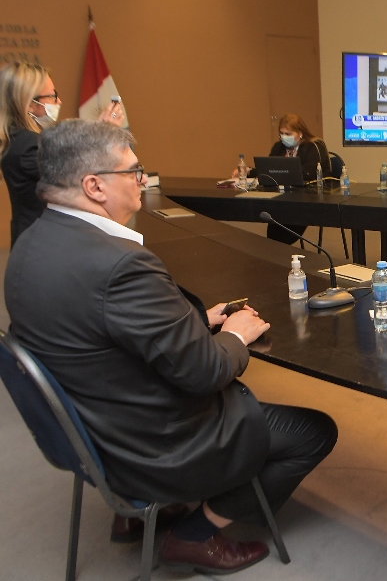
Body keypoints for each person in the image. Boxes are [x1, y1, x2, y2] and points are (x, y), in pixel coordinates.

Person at [5, 120, 338, 574]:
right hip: (151, 443)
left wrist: (195, 322)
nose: (142, 179)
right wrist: (236, 333)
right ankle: (196, 534)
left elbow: (96, 332)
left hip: (91, 426)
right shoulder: (121, 264)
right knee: (314, 431)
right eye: (132, 171)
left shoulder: (30, 245)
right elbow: (204, 372)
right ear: (94, 186)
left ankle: (135, 519)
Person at [0, 62, 123, 245]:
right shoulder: (29, 144)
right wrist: (104, 135)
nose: (59, 101)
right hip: (44, 241)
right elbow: (77, 180)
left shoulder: (18, 138)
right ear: (29, 104)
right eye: (52, 96)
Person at [257, 113, 333, 245]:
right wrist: (250, 171)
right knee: (276, 223)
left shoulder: (314, 146)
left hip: (309, 198)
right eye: (281, 133)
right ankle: (277, 250)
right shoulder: (278, 147)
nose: (284, 137)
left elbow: (311, 172)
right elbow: (269, 168)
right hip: (282, 197)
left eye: (288, 134)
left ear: (300, 133)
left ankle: (280, 249)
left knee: (282, 230)